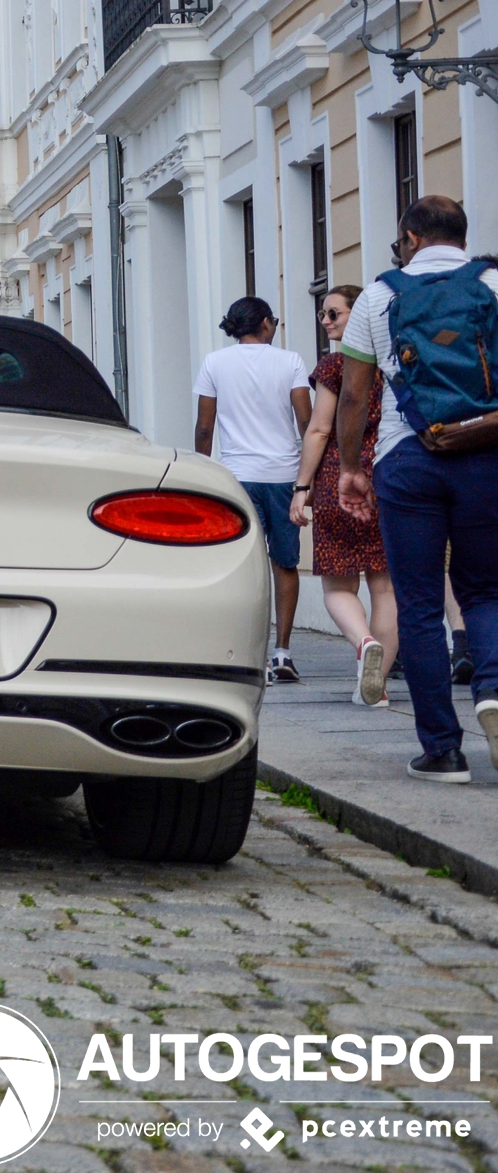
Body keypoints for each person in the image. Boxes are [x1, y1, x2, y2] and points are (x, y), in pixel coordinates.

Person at [336, 197, 498, 784]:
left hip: (407, 459)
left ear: (408, 238)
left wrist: (351, 467)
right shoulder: (494, 283)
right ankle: (494, 693)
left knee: (422, 604)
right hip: (487, 455)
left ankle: (442, 750)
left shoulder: (378, 298)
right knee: (485, 590)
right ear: (462, 235)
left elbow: (355, 395)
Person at [195, 297, 314, 684]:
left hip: (237, 477)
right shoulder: (291, 361)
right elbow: (305, 420)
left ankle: (250, 655)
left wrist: (204, 471)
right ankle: (283, 652)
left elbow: (204, 427)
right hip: (282, 475)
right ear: (265, 323)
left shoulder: (215, 362)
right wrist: (308, 475)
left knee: (245, 567)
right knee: (285, 563)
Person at [291, 286, 394, 706]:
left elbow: (318, 429)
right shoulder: (393, 364)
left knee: (337, 586)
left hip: (341, 474)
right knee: (386, 587)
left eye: (335, 312)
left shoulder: (335, 366)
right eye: (322, 314)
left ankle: (363, 642)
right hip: (388, 473)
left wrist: (302, 487)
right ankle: (376, 684)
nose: (327, 320)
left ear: (359, 315)